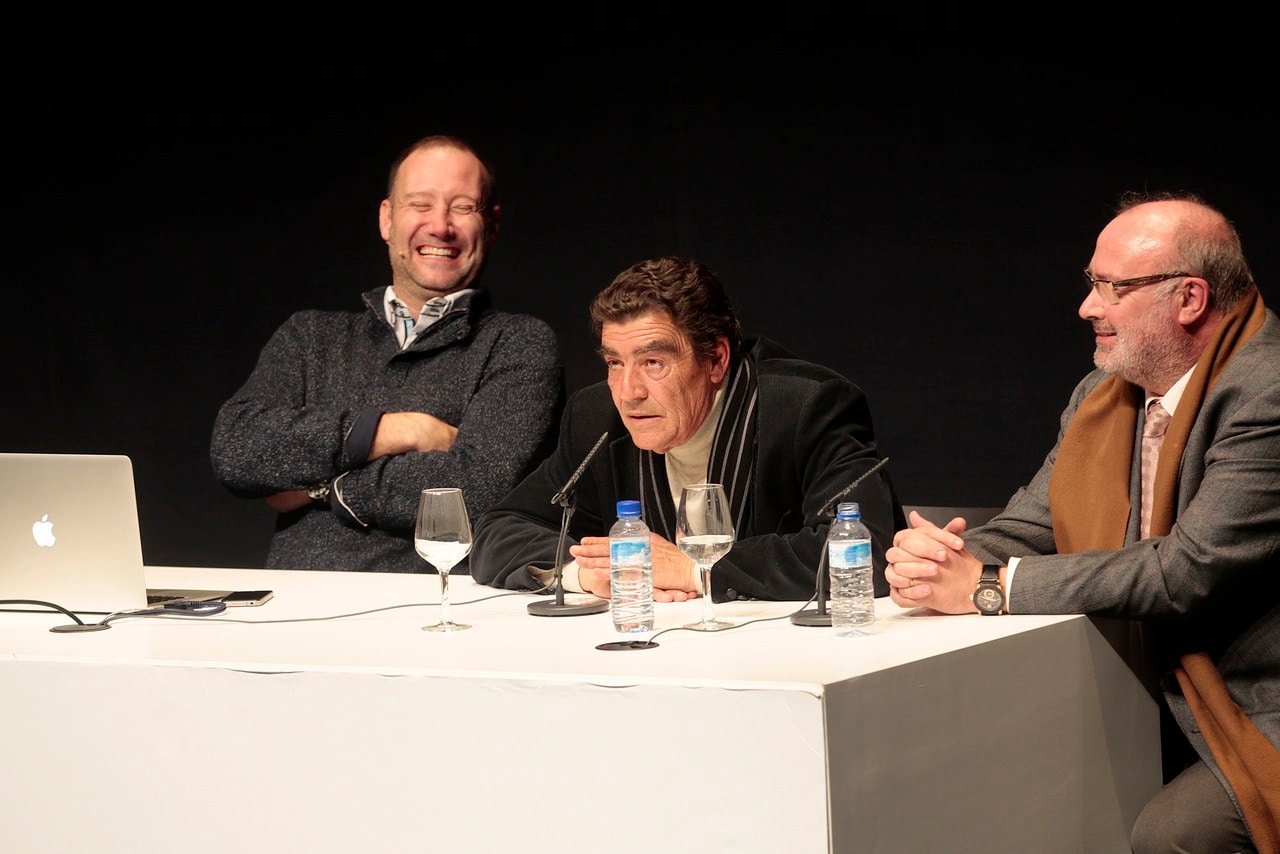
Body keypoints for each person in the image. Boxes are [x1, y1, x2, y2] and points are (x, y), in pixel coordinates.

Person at [885, 192, 1279, 852]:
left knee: (1172, 836)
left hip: (1252, 696)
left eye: (1111, 287)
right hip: (1146, 676)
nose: (1087, 307)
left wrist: (987, 587)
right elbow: (1034, 526)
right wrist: (938, 561)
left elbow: (1186, 571)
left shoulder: (1265, 393)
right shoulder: (1102, 394)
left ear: (1189, 299)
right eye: (1090, 283)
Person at [210, 135, 564, 573]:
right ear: (386, 219)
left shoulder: (518, 344)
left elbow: (473, 489)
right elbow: (236, 447)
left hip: (437, 613)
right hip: (292, 608)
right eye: (420, 204)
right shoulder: (310, 335)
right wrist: (402, 431)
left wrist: (324, 488)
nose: (440, 225)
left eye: (462, 207)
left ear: (491, 225)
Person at [470, 256, 903, 603]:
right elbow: (499, 529)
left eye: (653, 363)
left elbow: (869, 549)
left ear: (715, 360)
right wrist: (586, 573)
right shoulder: (594, 418)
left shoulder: (807, 405)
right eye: (614, 363)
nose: (628, 392)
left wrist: (695, 569)